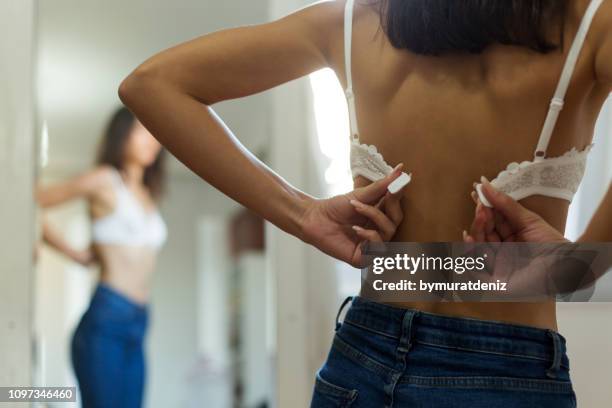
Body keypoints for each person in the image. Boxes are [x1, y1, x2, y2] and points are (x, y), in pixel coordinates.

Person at [117, 0, 611, 406]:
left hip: (366, 353)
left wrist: (302, 214)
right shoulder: (590, 23)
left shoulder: (355, 23)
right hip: (507, 365)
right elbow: (150, 88)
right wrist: (580, 266)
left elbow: (152, 83)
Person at [37, 107, 167, 407]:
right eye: (141, 131)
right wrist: (73, 254)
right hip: (107, 320)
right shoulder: (105, 180)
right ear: (121, 135)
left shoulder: (148, 193)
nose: (151, 140)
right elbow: (31, 200)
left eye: (155, 133)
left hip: (139, 322)